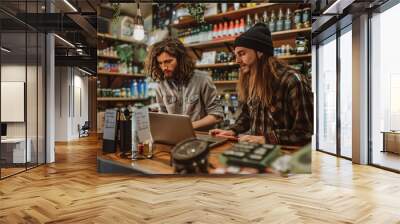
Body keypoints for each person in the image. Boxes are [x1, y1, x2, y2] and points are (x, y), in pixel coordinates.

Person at [210, 23, 313, 146]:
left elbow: (305, 132)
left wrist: (265, 139)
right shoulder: (250, 79)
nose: (237, 60)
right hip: (257, 152)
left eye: (242, 54)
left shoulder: (292, 81)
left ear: (260, 52)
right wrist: (232, 131)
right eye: (236, 55)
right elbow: (247, 115)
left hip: (285, 156)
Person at [145, 37, 223, 130]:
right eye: (160, 63)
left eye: (168, 61)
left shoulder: (203, 79)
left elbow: (216, 115)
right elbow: (164, 115)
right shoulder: (161, 85)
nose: (164, 67)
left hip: (200, 138)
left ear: (181, 59)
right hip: (175, 138)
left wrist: (188, 127)